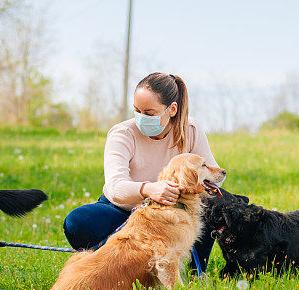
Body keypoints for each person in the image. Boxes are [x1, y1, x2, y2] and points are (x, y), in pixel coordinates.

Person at [63, 72, 222, 274]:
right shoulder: (122, 133)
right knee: (78, 221)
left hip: (172, 213)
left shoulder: (190, 129)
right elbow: (115, 187)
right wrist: (149, 189)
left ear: (172, 109)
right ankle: (113, 267)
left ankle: (194, 273)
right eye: (137, 111)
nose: (141, 118)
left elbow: (212, 177)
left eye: (149, 113)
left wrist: (186, 192)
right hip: (123, 212)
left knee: (212, 208)